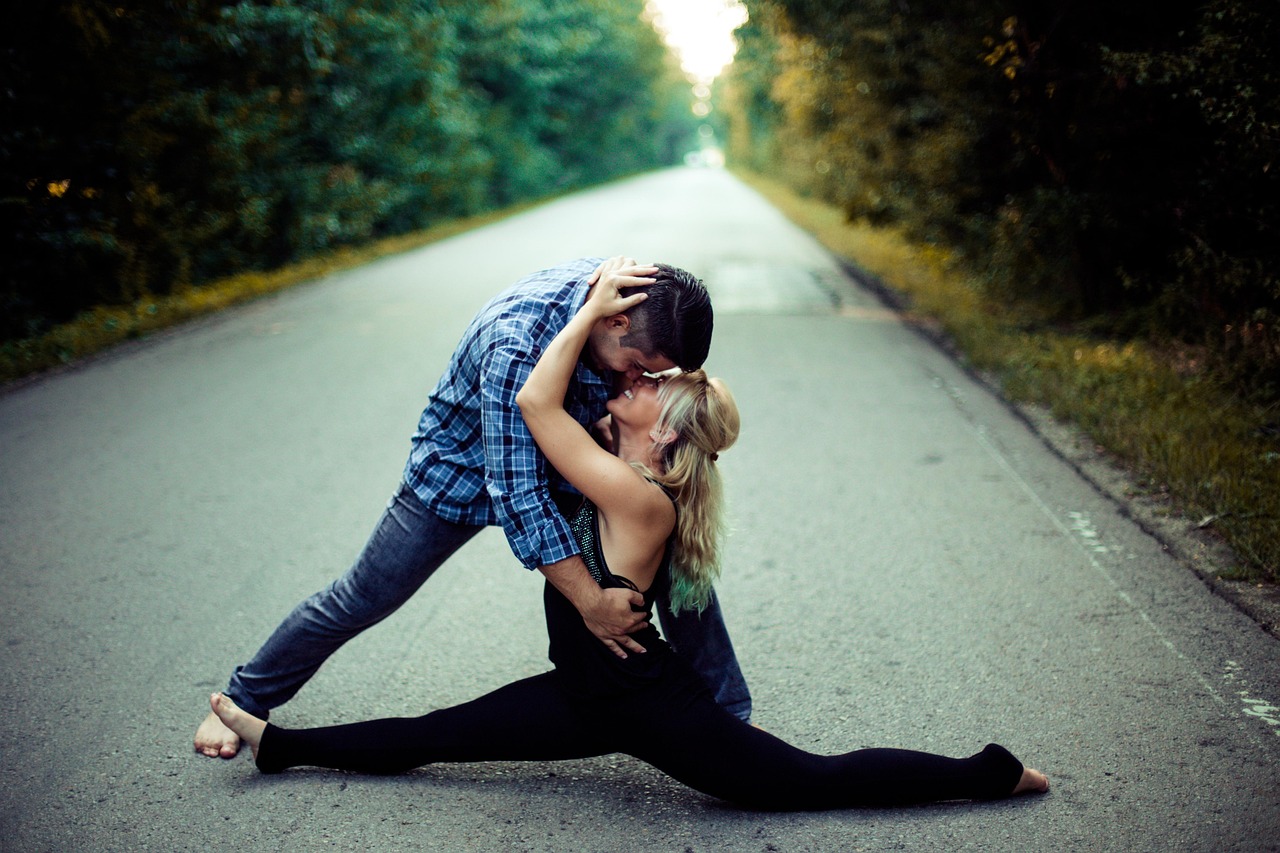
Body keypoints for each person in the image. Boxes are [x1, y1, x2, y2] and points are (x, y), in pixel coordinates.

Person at [207, 259, 1050, 808]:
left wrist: (585, 327)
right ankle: (274, 738)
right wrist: (590, 318)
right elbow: (521, 467)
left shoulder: (638, 495)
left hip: (644, 707)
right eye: (646, 370)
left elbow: (541, 408)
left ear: (665, 432)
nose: (644, 381)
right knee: (433, 727)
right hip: (577, 685)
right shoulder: (598, 438)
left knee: (808, 782)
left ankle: (988, 771)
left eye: (651, 385)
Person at [195, 256, 752, 759]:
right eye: (635, 365)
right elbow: (519, 494)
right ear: (615, 321)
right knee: (363, 595)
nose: (636, 378)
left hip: (568, 457)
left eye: (650, 375)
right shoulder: (516, 344)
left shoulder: (633, 297)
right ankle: (245, 697)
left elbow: (605, 421)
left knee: (678, 560)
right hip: (460, 476)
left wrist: (625, 449)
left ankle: (728, 717)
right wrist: (590, 600)